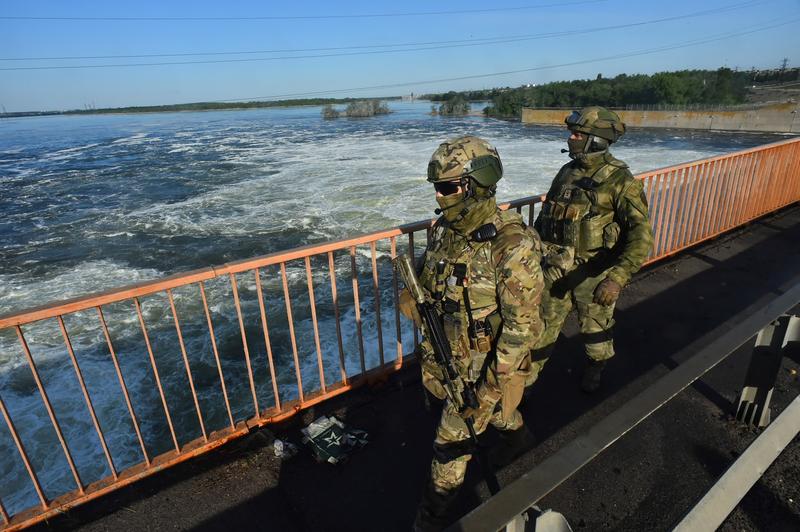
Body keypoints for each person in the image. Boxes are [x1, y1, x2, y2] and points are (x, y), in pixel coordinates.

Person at [402, 136, 544, 530]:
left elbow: (522, 328)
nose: (439, 195)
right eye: (437, 187)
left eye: (447, 187)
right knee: (497, 417)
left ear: (475, 184)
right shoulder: (447, 230)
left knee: (449, 449)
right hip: (447, 355)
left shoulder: (509, 244)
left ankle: (428, 521)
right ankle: (517, 437)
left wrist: (484, 392)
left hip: (484, 371)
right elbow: (433, 272)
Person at [531, 106, 654, 393]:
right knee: (541, 329)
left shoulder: (621, 181)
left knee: (595, 329)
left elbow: (641, 235)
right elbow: (546, 217)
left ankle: (596, 367)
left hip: (594, 274)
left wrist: (617, 278)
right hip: (556, 271)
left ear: (596, 139)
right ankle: (525, 384)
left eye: (578, 134)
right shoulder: (567, 172)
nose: (571, 139)